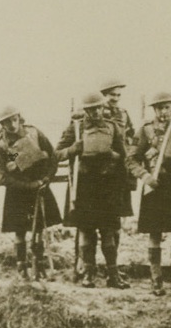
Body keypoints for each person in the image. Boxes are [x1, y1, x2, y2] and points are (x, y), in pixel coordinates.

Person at [56, 92, 130, 288]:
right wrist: (73, 150)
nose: (95, 112)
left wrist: (114, 156)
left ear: (102, 107)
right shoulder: (76, 128)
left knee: (109, 231)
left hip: (107, 185)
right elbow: (56, 154)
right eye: (91, 109)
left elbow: (125, 157)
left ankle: (113, 275)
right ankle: (89, 274)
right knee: (87, 231)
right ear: (85, 111)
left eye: (98, 108)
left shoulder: (113, 127)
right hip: (85, 186)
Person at [133, 91, 171, 295]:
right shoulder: (146, 131)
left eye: (167, 107)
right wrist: (144, 176)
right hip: (156, 185)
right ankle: (156, 279)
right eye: (160, 108)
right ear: (154, 110)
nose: (164, 112)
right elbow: (131, 159)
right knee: (155, 233)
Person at [0, 106, 60, 280]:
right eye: (7, 122)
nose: (12, 124)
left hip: (39, 187)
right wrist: (26, 185)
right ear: (2, 124)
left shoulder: (34, 133)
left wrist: (47, 178)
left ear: (19, 118)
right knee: (20, 231)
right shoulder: (2, 145)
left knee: (38, 229)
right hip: (18, 192)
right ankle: (22, 267)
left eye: (14, 119)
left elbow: (53, 156)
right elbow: (2, 175)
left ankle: (39, 265)